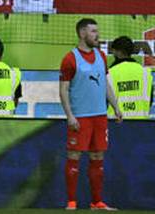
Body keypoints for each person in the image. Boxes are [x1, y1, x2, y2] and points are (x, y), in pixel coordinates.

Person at [59, 18, 123, 211]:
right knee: (74, 156)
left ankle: (97, 202)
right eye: (93, 31)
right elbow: (63, 90)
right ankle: (71, 202)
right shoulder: (70, 59)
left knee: (97, 157)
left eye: (97, 31)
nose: (98, 35)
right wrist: (70, 115)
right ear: (82, 33)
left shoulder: (101, 56)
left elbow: (105, 84)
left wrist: (116, 107)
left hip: (100, 116)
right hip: (81, 116)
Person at [107, 35, 151, 119]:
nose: (113, 53)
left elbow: (104, 101)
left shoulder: (110, 73)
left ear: (118, 52)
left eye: (114, 51)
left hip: (116, 123)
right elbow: (150, 98)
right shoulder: (145, 72)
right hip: (142, 123)